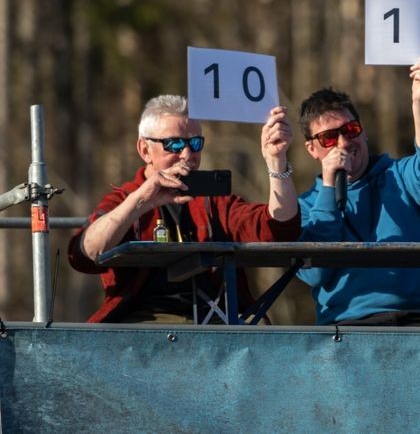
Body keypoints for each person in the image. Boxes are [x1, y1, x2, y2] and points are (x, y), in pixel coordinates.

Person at [67, 95, 300, 323]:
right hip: (144, 319)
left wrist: (276, 161)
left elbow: (277, 229)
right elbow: (84, 255)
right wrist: (139, 202)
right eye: (174, 144)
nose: (187, 154)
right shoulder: (125, 199)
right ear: (145, 150)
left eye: (195, 143)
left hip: (219, 318)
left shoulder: (214, 199)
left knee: (266, 339)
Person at [296, 55, 420, 326]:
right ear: (312, 149)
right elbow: (313, 272)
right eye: (329, 137)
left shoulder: (400, 176)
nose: (344, 142)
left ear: (364, 132)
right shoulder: (305, 205)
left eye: (351, 129)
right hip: (348, 328)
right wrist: (328, 187)